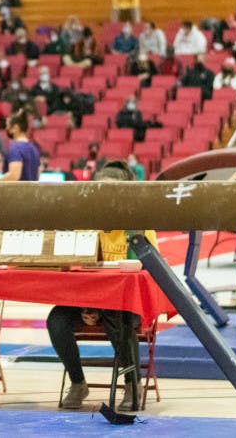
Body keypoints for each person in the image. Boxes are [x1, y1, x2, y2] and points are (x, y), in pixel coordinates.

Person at [47, 161, 157, 411]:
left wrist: (101, 302)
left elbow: (148, 272)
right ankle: (78, 383)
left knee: (116, 316)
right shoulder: (87, 220)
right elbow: (76, 267)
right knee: (56, 320)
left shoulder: (138, 223)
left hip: (126, 303)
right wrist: (87, 303)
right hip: (88, 297)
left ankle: (132, 385)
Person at [0, 110, 40, 181]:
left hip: (18, 191)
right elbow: (38, 174)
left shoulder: (16, 148)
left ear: (15, 128)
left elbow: (14, 176)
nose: (6, 129)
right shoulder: (34, 148)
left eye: (7, 126)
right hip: (32, 191)